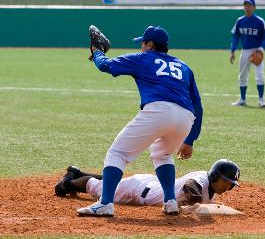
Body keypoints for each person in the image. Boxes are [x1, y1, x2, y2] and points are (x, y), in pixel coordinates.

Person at [73, 26, 203, 216]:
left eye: (143, 42)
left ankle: (105, 203)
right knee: (162, 154)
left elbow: (105, 66)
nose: (141, 46)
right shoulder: (184, 67)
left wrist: (97, 52)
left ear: (150, 44)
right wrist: (190, 140)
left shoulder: (143, 58)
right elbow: (198, 106)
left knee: (117, 153)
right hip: (185, 118)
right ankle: (170, 202)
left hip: (159, 110)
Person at [55, 159, 240, 208]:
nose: (228, 187)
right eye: (227, 182)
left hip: (150, 184)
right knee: (99, 189)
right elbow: (190, 187)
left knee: (115, 183)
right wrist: (198, 206)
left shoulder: (210, 185)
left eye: (231, 185)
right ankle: (68, 182)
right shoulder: (200, 181)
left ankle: (78, 173)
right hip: (139, 192)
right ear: (216, 175)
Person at [230, 0, 265, 108]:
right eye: (245, 5)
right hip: (245, 51)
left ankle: (261, 100)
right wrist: (232, 50)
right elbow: (235, 36)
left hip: (257, 51)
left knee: (260, 75)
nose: (247, 7)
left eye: (249, 5)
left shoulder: (260, 21)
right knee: (242, 75)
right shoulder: (240, 21)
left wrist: (261, 48)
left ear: (254, 7)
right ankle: (242, 99)